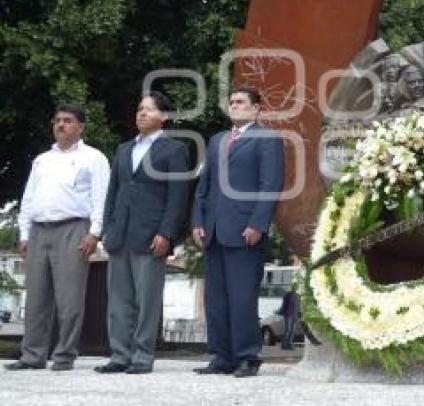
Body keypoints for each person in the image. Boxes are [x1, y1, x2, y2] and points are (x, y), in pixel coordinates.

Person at [5, 104, 110, 371]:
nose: (61, 125)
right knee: (36, 296)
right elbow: (28, 198)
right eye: (57, 121)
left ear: (81, 126)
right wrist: (24, 233)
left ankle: (64, 354)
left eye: (67, 120)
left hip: (73, 228)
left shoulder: (93, 158)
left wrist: (94, 233)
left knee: (70, 297)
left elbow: (101, 198)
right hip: (39, 229)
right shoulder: (42, 160)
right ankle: (32, 355)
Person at [191, 86, 284, 377]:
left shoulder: (267, 139)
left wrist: (258, 223)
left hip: (245, 230)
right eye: (232, 102)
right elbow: (204, 186)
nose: (235, 106)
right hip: (213, 230)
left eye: (241, 102)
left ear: (257, 109)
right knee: (215, 299)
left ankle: (247, 356)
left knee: (242, 297)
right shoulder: (217, 140)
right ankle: (222, 356)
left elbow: (270, 185)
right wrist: (197, 221)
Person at [94, 92, 189, 375]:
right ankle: (119, 355)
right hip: (119, 234)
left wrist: (167, 233)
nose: (141, 114)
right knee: (119, 299)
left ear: (164, 117)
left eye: (148, 110)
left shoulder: (175, 150)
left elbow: (178, 197)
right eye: (139, 109)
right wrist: (107, 229)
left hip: (151, 235)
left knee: (146, 300)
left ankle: (142, 357)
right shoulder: (124, 150)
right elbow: (113, 193)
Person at [279, 285, 300, 350]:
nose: (295, 288)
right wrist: (283, 312)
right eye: (294, 287)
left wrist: (299, 313)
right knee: (287, 330)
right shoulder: (287, 295)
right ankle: (284, 345)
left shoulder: (298, 296)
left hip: (294, 315)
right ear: (292, 287)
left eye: (296, 287)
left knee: (292, 330)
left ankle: (289, 344)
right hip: (288, 315)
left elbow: (299, 305)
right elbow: (283, 305)